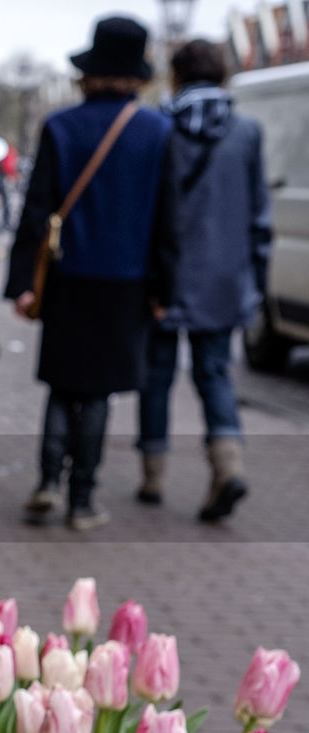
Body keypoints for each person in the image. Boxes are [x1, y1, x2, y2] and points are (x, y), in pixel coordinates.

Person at [5, 15, 174, 530]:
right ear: (138, 73)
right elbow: (168, 220)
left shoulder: (59, 127)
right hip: (126, 282)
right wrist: (164, 289)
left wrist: (20, 286)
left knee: (62, 384)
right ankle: (82, 501)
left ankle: (46, 483)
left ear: (90, 69)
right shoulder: (158, 131)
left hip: (66, 277)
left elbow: (36, 212)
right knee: (98, 392)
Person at [136, 39, 271, 522]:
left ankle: (153, 477)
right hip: (224, 278)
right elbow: (260, 215)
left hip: (165, 278)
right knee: (214, 374)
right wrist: (256, 279)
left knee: (157, 376)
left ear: (174, 77)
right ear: (223, 76)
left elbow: (146, 213)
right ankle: (228, 467)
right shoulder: (248, 132)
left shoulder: (160, 129)